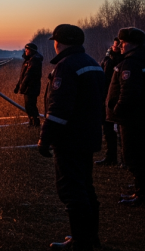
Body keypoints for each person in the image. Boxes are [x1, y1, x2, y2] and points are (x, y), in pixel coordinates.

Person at [38, 24, 104, 250]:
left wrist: (45, 138)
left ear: (60, 42)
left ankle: (81, 242)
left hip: (70, 139)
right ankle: (90, 239)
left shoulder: (66, 67)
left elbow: (59, 109)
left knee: (72, 190)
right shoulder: (92, 64)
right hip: (88, 136)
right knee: (86, 187)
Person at [106, 27, 145, 207]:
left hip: (131, 119)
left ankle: (141, 194)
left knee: (134, 156)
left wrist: (117, 109)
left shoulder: (131, 63)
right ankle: (139, 188)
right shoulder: (136, 59)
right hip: (136, 117)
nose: (120, 45)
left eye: (124, 43)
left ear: (134, 44)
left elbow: (129, 93)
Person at [97, 37, 123, 166]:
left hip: (118, 98)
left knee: (122, 131)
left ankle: (125, 160)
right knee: (107, 129)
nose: (115, 46)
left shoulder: (124, 60)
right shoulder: (107, 58)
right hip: (106, 97)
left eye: (118, 44)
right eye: (114, 43)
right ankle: (110, 156)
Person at [14, 43, 43, 126]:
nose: (25, 51)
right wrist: (18, 86)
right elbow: (22, 75)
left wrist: (22, 86)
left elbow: (28, 75)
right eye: (25, 49)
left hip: (32, 87)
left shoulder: (35, 60)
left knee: (31, 105)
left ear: (32, 51)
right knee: (28, 106)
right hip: (27, 87)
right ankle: (31, 121)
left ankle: (36, 123)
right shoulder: (28, 60)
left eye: (27, 49)